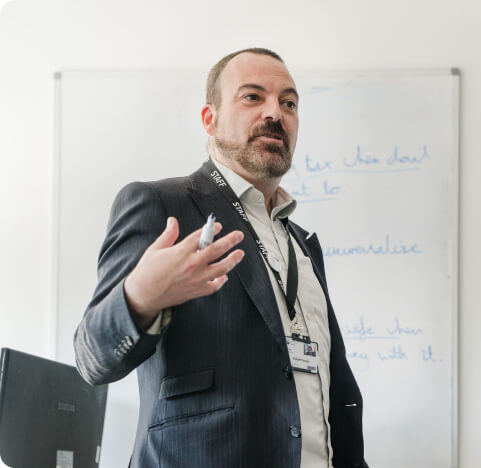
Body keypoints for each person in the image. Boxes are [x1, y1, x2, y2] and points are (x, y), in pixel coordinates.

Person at [74, 48, 368, 468]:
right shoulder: (162, 205)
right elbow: (90, 358)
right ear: (209, 119)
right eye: (252, 97)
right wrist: (140, 297)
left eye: (289, 103)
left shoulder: (302, 243)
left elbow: (330, 385)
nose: (275, 113)